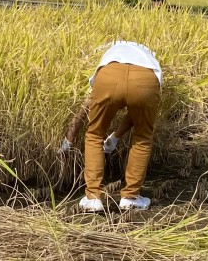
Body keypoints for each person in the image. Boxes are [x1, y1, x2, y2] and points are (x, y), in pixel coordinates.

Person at [62, 41, 162, 212]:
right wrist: (116, 137)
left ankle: (92, 198)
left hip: (109, 75)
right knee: (143, 137)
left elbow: (85, 107)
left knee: (94, 134)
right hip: (146, 78)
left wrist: (69, 140)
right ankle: (131, 197)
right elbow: (136, 113)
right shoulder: (150, 59)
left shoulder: (110, 55)